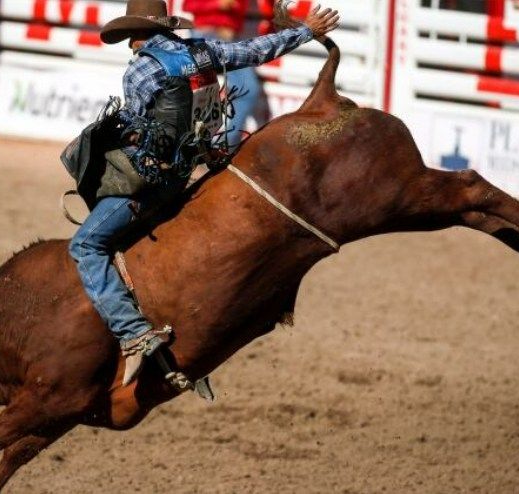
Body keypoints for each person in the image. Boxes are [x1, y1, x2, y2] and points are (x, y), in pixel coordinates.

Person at [67, 0, 339, 386]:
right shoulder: (204, 52)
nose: (130, 45)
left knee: (86, 245)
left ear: (140, 33)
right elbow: (255, 50)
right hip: (191, 172)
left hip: (152, 182)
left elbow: (140, 127)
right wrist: (306, 31)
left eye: (131, 36)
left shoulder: (142, 69)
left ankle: (133, 333)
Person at [182, 0, 260, 147]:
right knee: (199, 93)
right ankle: (211, 146)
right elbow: (188, 5)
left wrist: (228, 23)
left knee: (247, 89)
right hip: (205, 37)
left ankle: (220, 146)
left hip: (227, 39)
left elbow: (238, 10)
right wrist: (218, 5)